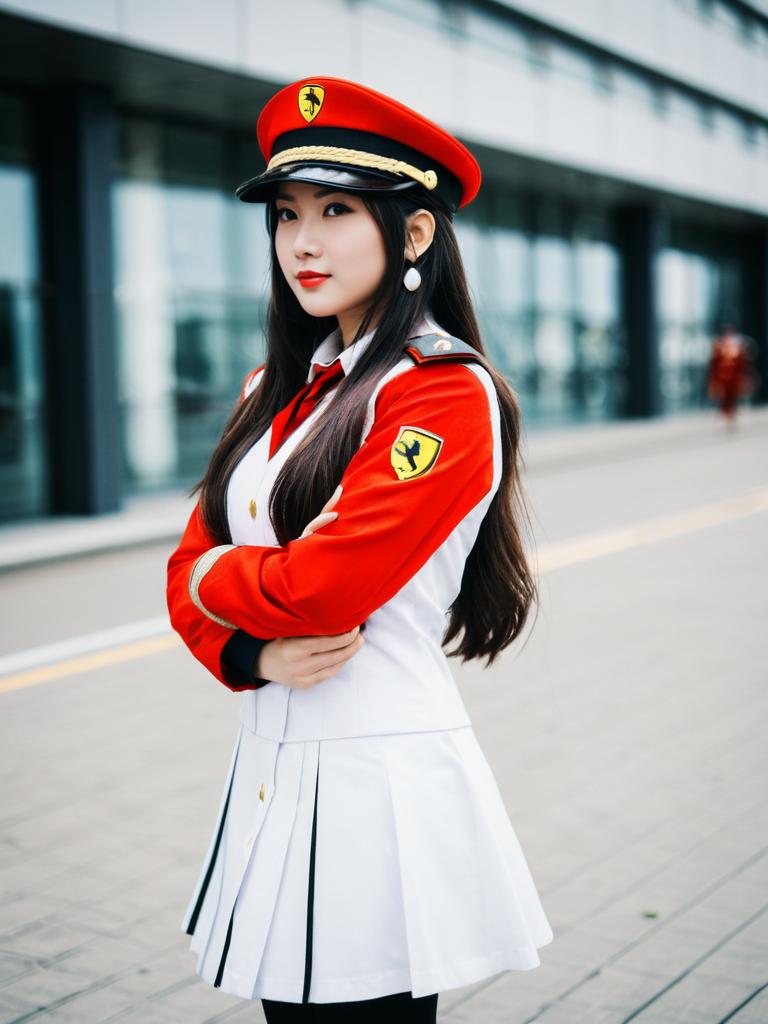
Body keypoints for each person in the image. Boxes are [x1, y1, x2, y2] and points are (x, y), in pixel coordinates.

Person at [166, 75, 554, 1022]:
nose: (303, 241)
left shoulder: (439, 391)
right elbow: (184, 576)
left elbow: (321, 588)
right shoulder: (272, 387)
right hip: (272, 768)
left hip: (374, 785)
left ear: (414, 232)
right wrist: (250, 652)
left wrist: (217, 577)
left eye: (336, 210)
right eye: (287, 213)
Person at [706, 323, 755, 429]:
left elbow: (742, 364)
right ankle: (726, 414)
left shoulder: (737, 348)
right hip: (723, 378)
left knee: (733, 396)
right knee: (724, 397)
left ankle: (731, 415)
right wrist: (714, 380)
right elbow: (714, 365)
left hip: (734, 378)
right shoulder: (719, 347)